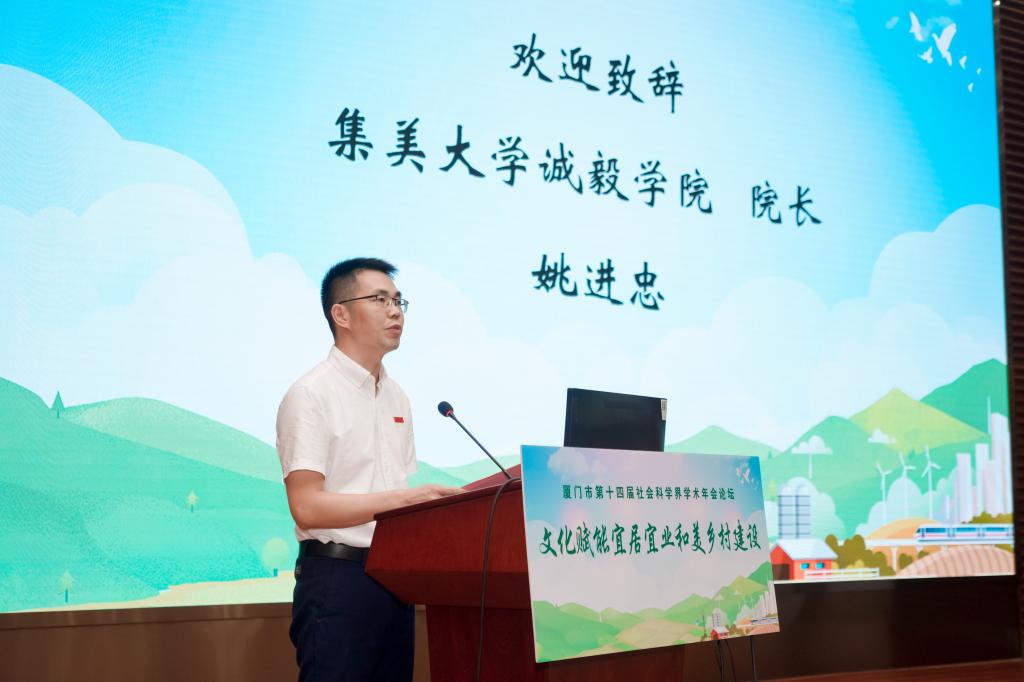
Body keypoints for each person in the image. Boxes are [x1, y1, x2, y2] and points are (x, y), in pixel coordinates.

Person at [276, 257, 462, 681]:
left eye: (398, 301)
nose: (395, 311)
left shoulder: (397, 397)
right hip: (337, 579)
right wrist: (408, 499)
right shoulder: (311, 395)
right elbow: (307, 507)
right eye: (379, 300)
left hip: (394, 578)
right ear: (340, 314)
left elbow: (395, 488)